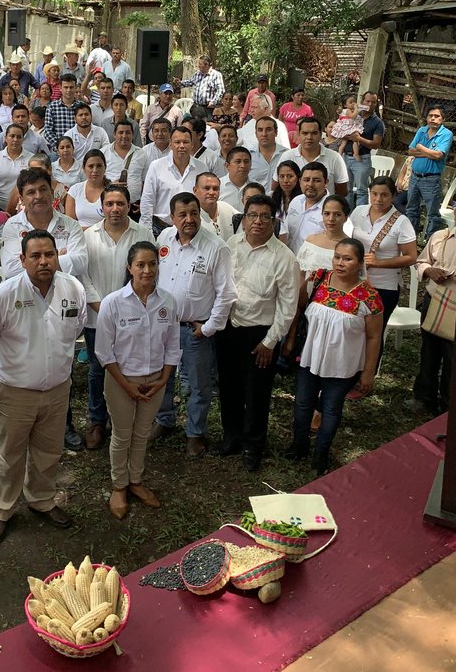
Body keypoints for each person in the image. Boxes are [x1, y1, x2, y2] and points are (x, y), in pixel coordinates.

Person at [0, 229, 86, 544]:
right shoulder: (4, 295)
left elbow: (77, 326)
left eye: (50, 254)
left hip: (57, 390)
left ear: (58, 256)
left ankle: (41, 500)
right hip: (16, 391)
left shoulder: (73, 288)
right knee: (9, 454)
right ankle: (2, 510)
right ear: (22, 259)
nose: (44, 261)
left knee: (48, 451)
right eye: (36, 256)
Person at [94, 241, 180, 518]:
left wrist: (163, 380)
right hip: (121, 380)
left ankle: (136, 480)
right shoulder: (113, 303)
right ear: (129, 267)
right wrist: (126, 385)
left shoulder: (168, 302)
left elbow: (173, 346)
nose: (147, 270)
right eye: (140, 265)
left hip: (155, 380)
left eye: (152, 264)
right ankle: (119, 486)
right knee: (122, 434)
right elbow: (103, 352)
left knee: (142, 433)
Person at [153, 193, 237, 454]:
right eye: (182, 215)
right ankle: (164, 420)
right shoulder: (164, 238)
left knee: (199, 385)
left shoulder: (216, 247)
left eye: (193, 213)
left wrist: (209, 327)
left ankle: (195, 432)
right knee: (161, 378)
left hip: (195, 330)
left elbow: (227, 294)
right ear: (172, 218)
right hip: (163, 326)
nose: (189, 219)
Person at [220, 194, 299, 471]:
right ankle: (231, 436)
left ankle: (253, 445)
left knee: (257, 392)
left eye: (265, 216)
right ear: (243, 218)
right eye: (252, 215)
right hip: (230, 329)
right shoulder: (231, 245)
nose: (257, 222)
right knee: (229, 386)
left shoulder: (284, 258)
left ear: (273, 221)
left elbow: (287, 307)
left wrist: (270, 342)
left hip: (260, 336)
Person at [291, 239, 383, 473]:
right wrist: (291, 339)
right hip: (310, 358)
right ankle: (298, 446)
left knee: (331, 408)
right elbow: (299, 307)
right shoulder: (318, 279)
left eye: (348, 258)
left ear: (360, 263)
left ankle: (321, 455)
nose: (340, 263)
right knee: (302, 403)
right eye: (337, 257)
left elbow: (374, 337)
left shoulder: (369, 297)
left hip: (343, 365)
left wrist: (368, 372)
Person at [81, 184, 152, 452]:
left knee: (129, 368)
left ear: (129, 205)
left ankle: (124, 421)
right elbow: (83, 275)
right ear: (101, 207)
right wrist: (101, 305)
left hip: (133, 316)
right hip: (96, 316)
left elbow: (148, 272)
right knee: (98, 370)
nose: (114, 209)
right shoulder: (88, 236)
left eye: (120, 203)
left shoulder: (143, 234)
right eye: (109, 204)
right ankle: (97, 421)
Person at [343, 175, 416, 349]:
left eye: (384, 195)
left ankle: (369, 373)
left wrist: (379, 263)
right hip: (355, 281)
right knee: (350, 329)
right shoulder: (359, 211)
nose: (378, 199)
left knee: (373, 335)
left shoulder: (401, 222)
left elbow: (411, 257)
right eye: (374, 194)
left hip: (383, 287)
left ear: (393, 196)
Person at [412, 200, 456, 416]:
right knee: (429, 352)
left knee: (454, 358)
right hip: (435, 300)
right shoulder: (440, 237)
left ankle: (448, 407)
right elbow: (421, 262)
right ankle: (424, 399)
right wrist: (429, 271)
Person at [64, 149, 108, 225]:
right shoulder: (75, 190)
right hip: (79, 235)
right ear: (84, 168)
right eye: (91, 166)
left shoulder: (112, 192)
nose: (95, 170)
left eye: (99, 166)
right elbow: (70, 224)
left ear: (105, 168)